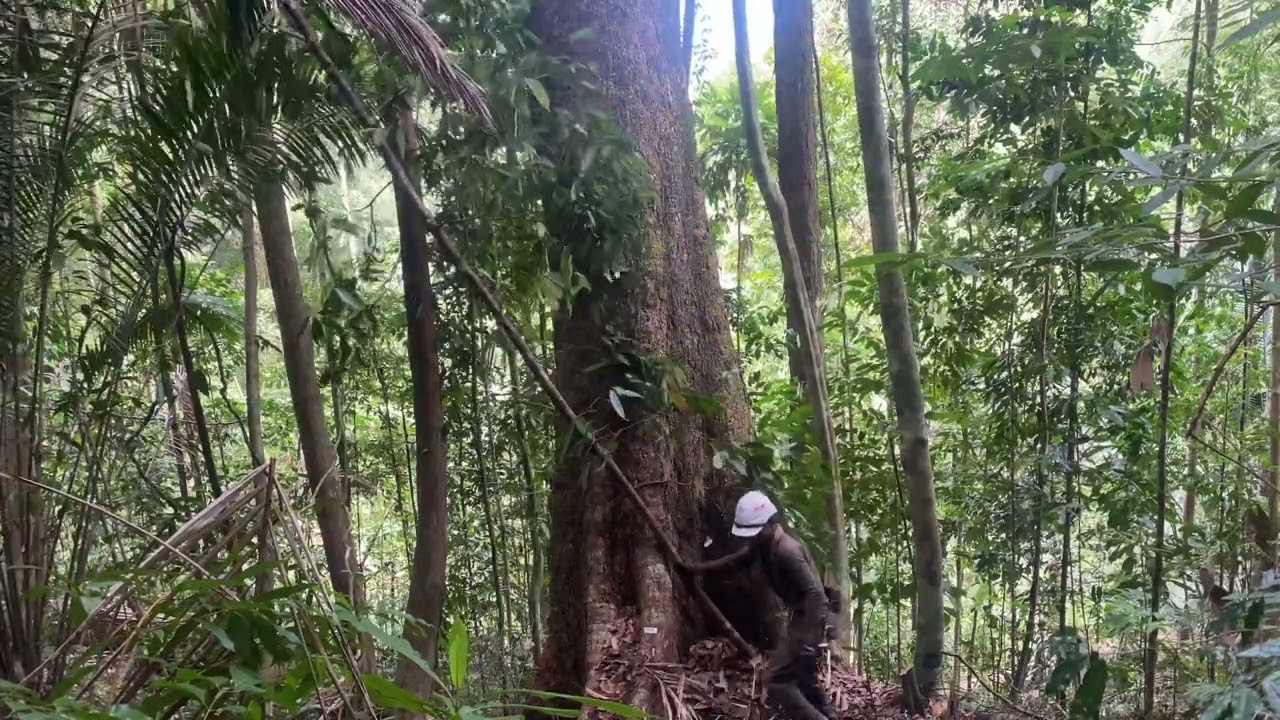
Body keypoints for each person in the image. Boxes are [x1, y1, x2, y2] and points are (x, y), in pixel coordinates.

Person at [731, 490, 838, 720]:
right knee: (805, 678)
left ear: (770, 524)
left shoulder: (787, 551)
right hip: (803, 617)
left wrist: (805, 639)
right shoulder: (765, 545)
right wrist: (695, 569)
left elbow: (815, 594)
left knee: (777, 681)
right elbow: (738, 559)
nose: (751, 538)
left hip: (809, 618)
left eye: (755, 533)